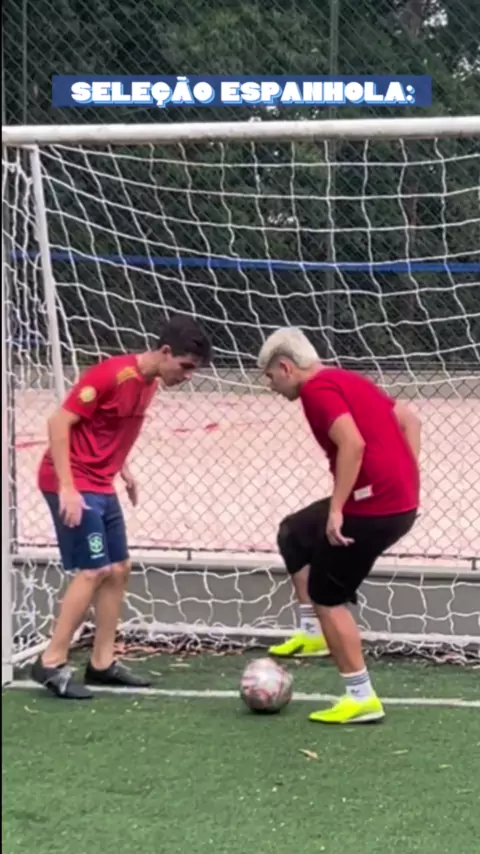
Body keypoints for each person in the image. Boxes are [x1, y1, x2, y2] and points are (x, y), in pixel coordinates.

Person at [32, 315, 212, 699]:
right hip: (72, 481)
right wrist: (67, 488)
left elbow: (110, 428)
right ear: (165, 352)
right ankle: (50, 661)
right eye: (184, 367)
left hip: (102, 482)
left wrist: (124, 470)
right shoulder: (110, 375)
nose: (187, 376)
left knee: (119, 569)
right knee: (94, 569)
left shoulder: (150, 383)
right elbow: (59, 423)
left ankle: (101, 663)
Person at [258, 328, 420, 724]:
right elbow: (409, 419)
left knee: (327, 596)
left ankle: (361, 697)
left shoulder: (316, 391)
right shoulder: (346, 378)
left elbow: (352, 443)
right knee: (295, 532)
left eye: (269, 376)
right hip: (393, 501)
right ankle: (313, 633)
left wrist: (337, 509)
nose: (269, 385)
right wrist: (406, 475)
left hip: (373, 509)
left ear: (286, 367)